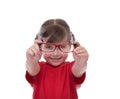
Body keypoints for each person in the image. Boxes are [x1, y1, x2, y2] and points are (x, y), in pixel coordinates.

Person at [25, 18, 89, 99]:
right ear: (40, 46)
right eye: (48, 47)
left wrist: (82, 61)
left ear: (70, 46)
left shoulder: (71, 68)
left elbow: (79, 69)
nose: (55, 53)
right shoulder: (38, 67)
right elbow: (31, 68)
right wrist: (31, 59)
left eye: (62, 46)